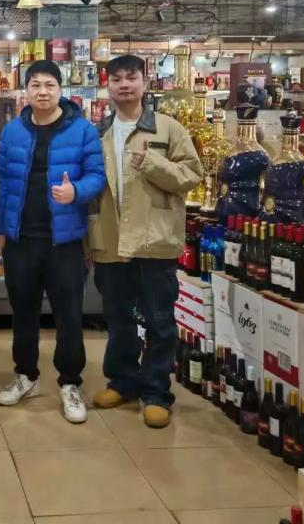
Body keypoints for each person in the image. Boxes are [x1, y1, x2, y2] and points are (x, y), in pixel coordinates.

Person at [88, 54, 203, 429]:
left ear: (145, 82)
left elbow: (192, 175)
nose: (124, 84)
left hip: (155, 239)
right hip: (111, 240)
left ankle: (156, 392)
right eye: (117, 79)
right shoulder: (98, 133)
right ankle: (122, 382)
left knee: (159, 320)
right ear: (107, 85)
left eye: (131, 77)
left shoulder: (168, 129)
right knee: (118, 319)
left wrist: (152, 163)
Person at [0, 60, 106, 424]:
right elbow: (0, 183)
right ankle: (26, 375)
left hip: (65, 241)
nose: (42, 91)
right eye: (35, 85)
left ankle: (70, 383)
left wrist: (77, 192)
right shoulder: (13, 131)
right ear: (26, 91)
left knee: (69, 315)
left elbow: (97, 176)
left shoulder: (82, 129)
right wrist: (0, 230)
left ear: (60, 89)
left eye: (49, 85)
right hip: (21, 240)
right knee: (23, 312)